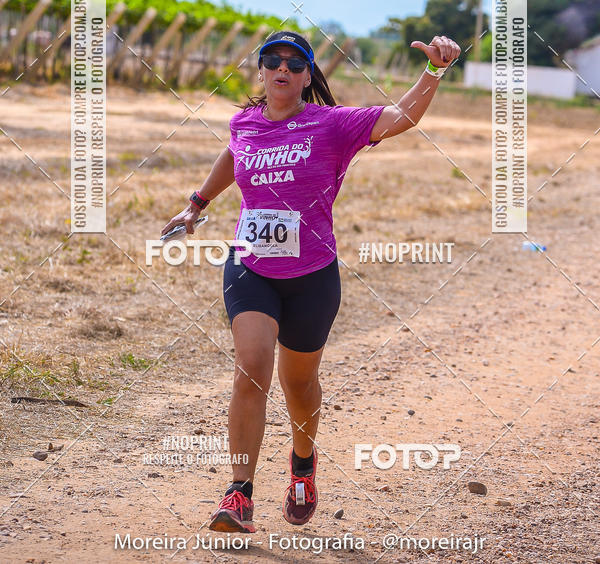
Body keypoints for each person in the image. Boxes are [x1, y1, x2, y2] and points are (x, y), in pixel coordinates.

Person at [161, 29, 460, 533]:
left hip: (312, 276)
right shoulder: (244, 123)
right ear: (260, 70)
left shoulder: (333, 125)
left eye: (294, 63)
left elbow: (402, 117)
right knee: (250, 369)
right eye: (272, 60)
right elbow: (234, 155)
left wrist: (433, 71)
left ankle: (303, 464)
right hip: (251, 267)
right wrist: (195, 206)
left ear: (306, 75)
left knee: (298, 384)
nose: (282, 68)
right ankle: (239, 494)